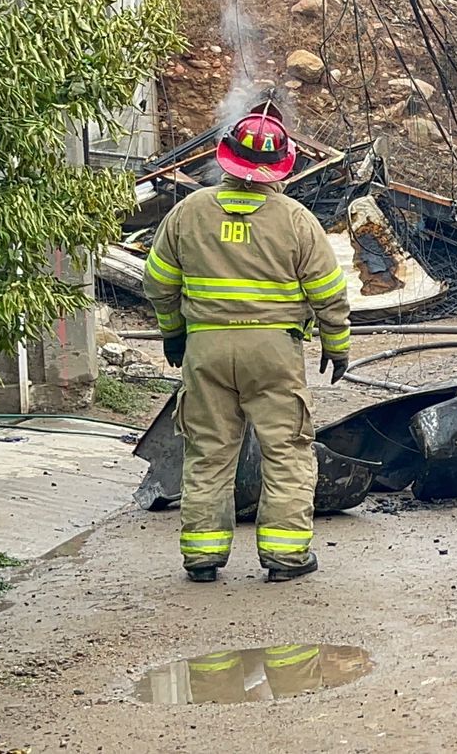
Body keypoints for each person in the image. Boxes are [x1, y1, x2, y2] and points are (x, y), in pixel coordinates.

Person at [143, 102, 351, 584]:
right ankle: (285, 558)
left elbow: (158, 283)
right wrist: (336, 346)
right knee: (287, 450)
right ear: (282, 165)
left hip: (206, 350)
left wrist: (174, 332)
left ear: (225, 157)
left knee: (209, 451)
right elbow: (328, 292)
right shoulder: (295, 219)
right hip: (273, 353)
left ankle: (202, 557)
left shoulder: (187, 213)